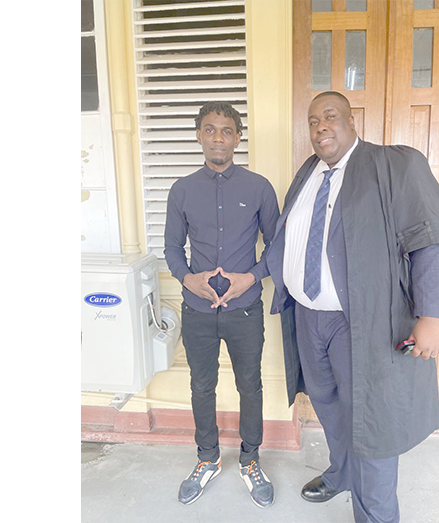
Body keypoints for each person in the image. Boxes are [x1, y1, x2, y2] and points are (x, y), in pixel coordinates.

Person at [264, 91, 439, 523]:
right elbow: (290, 240)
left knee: (371, 422)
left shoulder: (394, 164)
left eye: (330, 116)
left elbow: (429, 238)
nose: (320, 126)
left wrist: (431, 315)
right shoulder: (309, 174)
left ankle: (375, 515)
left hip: (365, 323)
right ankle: (341, 474)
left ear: (352, 122)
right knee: (329, 405)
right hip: (308, 317)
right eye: (314, 119)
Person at [164, 101, 279, 508]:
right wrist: (187, 277)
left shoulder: (259, 187)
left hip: (245, 308)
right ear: (198, 135)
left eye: (226, 130)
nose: (218, 137)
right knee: (201, 384)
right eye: (210, 129)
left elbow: (276, 246)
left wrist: (251, 276)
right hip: (197, 310)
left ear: (237, 138)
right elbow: (172, 248)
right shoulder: (181, 190)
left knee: (250, 384)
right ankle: (207, 458)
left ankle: (250, 460)